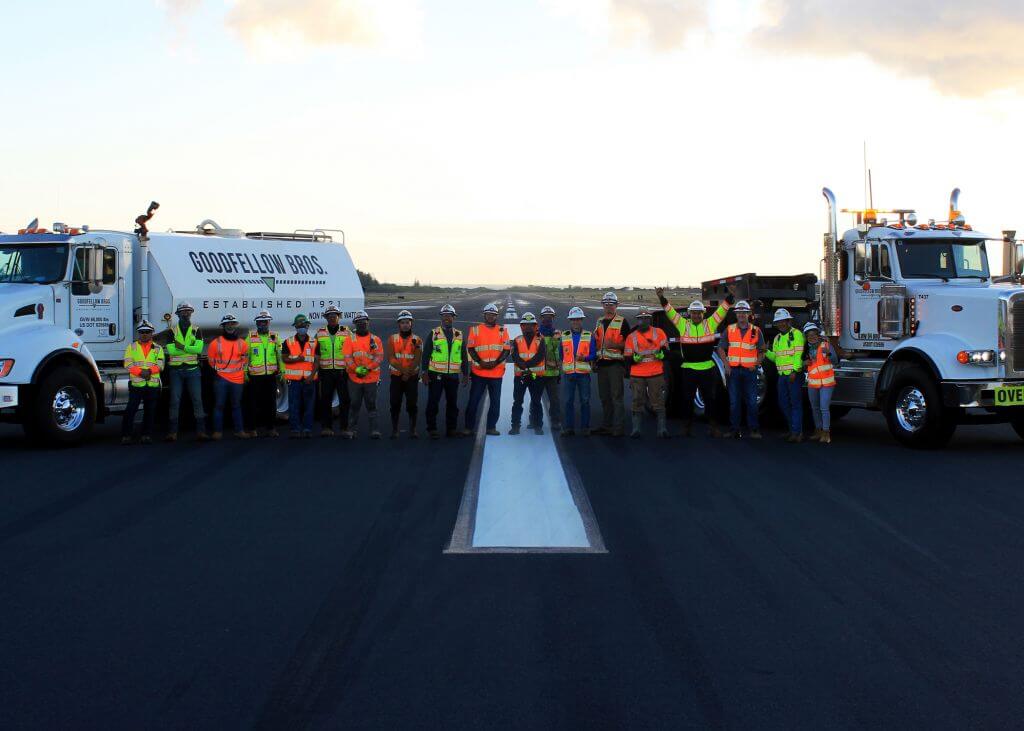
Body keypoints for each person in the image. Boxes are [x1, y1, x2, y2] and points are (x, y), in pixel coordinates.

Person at [656, 287, 732, 437]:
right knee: (687, 400)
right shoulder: (683, 325)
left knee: (710, 400)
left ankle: (713, 428)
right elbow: (670, 312)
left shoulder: (710, 324)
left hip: (707, 369)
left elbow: (722, 310)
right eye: (694, 313)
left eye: (699, 313)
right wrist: (661, 298)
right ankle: (686, 427)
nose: (696, 315)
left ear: (703, 314)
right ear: (690, 313)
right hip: (689, 369)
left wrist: (731, 296)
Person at [717, 300, 766, 439]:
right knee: (734, 402)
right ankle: (734, 430)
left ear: (749, 314)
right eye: (739, 313)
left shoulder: (756, 331)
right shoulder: (729, 329)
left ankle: (754, 430)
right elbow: (721, 348)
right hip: (733, 372)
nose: (741, 315)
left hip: (749, 372)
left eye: (744, 313)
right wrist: (726, 364)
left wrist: (756, 364)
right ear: (736, 314)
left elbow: (762, 350)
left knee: (752, 402)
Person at [422, 304, 468, 439]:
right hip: (436, 374)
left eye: (450, 316)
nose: (447, 318)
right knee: (433, 402)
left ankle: (451, 429)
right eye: (445, 315)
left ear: (454, 318)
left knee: (452, 404)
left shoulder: (459, 335)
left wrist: (466, 374)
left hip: (453, 376)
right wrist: (424, 372)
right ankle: (432, 429)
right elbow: (426, 354)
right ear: (441, 317)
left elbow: (463, 356)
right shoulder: (433, 333)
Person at [464, 303, 510, 436]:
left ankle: (491, 427)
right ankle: (468, 427)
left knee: (495, 403)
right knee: (473, 402)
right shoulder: (475, 330)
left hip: (496, 373)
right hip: (479, 373)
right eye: (488, 314)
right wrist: (480, 362)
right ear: (484, 315)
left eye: (493, 315)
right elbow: (470, 348)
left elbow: (507, 350)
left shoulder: (503, 331)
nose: (491, 316)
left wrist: (495, 362)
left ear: (496, 316)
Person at [164, 302, 207, 442]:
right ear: (178, 314)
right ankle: (172, 433)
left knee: (197, 400)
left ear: (191, 313)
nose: (186, 313)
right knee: (175, 401)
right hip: (176, 371)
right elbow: (171, 350)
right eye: (183, 311)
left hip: (193, 370)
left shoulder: (196, 329)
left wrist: (181, 346)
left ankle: (201, 432)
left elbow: (199, 349)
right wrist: (189, 347)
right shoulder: (172, 331)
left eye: (188, 311)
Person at [624, 306, 670, 438]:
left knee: (659, 401)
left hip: (655, 374)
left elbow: (667, 352)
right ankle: (636, 429)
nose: (643, 321)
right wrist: (634, 359)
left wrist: (663, 355)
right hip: (637, 375)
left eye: (646, 318)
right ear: (637, 320)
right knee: (637, 401)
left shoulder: (659, 333)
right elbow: (627, 358)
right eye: (641, 319)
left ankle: (662, 429)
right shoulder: (631, 337)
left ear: (650, 319)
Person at [593, 291, 631, 436]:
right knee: (604, 398)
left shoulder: (622, 321)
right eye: (606, 304)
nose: (608, 307)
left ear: (617, 306)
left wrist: (614, 344)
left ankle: (618, 428)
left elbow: (629, 345)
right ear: (602, 305)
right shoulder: (599, 321)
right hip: (601, 365)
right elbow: (596, 342)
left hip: (615, 365)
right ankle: (607, 425)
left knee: (617, 398)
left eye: (611, 304)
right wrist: (594, 360)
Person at [121, 320, 164, 445]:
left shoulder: (158, 348)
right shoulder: (131, 347)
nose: (144, 334)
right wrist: (141, 373)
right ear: (138, 333)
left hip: (152, 385)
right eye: (142, 332)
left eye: (147, 332)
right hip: (137, 385)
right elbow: (127, 364)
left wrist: (149, 371)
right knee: (130, 410)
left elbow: (160, 365)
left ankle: (146, 435)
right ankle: (126, 435)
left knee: (150, 412)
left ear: (152, 333)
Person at [207, 313, 250, 440]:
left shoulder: (242, 343)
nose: (230, 326)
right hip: (221, 379)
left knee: (236, 405)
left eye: (232, 324)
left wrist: (241, 374)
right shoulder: (216, 343)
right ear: (223, 326)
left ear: (235, 326)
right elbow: (211, 361)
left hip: (237, 380)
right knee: (219, 405)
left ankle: (239, 431)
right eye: (227, 324)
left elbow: (245, 360)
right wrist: (220, 372)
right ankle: (217, 432)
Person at [342, 310, 384, 439]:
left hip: (371, 378)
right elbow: (347, 358)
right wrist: (356, 370)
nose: (362, 325)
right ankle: (351, 430)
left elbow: (379, 357)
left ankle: (375, 430)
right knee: (354, 404)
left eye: (364, 323)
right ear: (355, 324)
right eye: (359, 323)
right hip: (355, 379)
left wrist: (367, 368)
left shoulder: (375, 339)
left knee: (372, 405)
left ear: (368, 323)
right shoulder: (349, 340)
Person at [765, 308, 805, 442]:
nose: (781, 324)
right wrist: (766, 351)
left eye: (783, 321)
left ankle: (797, 433)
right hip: (782, 376)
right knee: (783, 403)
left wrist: (794, 371)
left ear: (788, 321)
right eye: (778, 322)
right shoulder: (777, 338)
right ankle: (792, 429)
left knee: (795, 404)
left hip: (794, 375)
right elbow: (776, 358)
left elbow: (799, 355)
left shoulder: (797, 334)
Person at [244, 310, 282, 438]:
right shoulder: (250, 337)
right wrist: (244, 372)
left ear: (269, 322)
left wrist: (282, 372)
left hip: (270, 376)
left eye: (265, 322)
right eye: (260, 322)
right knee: (253, 404)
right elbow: (245, 357)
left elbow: (280, 356)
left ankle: (271, 429)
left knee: (271, 403)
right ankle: (252, 429)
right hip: (255, 377)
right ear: (256, 323)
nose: (263, 324)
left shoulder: (275, 337)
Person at [315, 305, 350, 437]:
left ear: (339, 317)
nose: (332, 318)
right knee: (325, 400)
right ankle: (326, 427)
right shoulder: (319, 333)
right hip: (326, 372)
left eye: (335, 316)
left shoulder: (347, 333)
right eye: (329, 316)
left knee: (344, 400)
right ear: (326, 318)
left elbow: (352, 351)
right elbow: (316, 354)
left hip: (342, 372)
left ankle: (344, 428)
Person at [386, 309, 423, 438]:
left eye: (407, 322)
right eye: (402, 322)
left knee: (412, 404)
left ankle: (413, 429)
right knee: (394, 403)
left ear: (411, 323)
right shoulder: (392, 339)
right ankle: (395, 430)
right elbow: (391, 358)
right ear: (399, 324)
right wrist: (403, 371)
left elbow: (417, 359)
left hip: (412, 377)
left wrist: (408, 373)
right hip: (396, 377)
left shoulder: (417, 340)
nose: (405, 324)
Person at [510, 312, 547, 435]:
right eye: (525, 325)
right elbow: (514, 355)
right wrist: (523, 366)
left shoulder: (541, 340)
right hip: (521, 376)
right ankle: (515, 426)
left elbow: (540, 356)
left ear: (535, 326)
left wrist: (526, 365)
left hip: (535, 375)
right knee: (518, 401)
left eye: (531, 325)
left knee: (536, 401)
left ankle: (538, 425)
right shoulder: (517, 340)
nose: (528, 327)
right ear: (521, 326)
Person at [282, 314, 318, 438]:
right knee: (294, 405)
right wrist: (297, 359)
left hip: (309, 380)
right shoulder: (288, 342)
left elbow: (317, 361)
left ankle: (307, 429)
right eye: (300, 325)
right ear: (296, 327)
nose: (302, 327)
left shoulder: (314, 342)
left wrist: (311, 376)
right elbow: (284, 359)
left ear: (308, 326)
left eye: (304, 325)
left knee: (309, 405)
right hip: (294, 380)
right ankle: (295, 429)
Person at [560, 307, 595, 436]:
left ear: (582, 320)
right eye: (573, 320)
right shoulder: (564, 336)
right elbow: (561, 355)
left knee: (585, 401)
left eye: (578, 319)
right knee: (568, 401)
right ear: (570, 321)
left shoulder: (589, 335)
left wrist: (584, 358)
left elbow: (593, 354)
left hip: (583, 375)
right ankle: (569, 428)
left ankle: (585, 428)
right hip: (569, 375)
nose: (576, 322)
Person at [803, 322, 838, 444]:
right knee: (815, 408)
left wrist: (828, 354)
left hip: (827, 383)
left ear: (818, 335)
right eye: (809, 335)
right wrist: (804, 364)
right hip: (813, 383)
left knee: (824, 407)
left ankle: (826, 432)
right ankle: (818, 431)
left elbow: (835, 360)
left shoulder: (825, 345)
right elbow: (803, 364)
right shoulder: (806, 349)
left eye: (814, 334)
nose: (811, 337)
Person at [538, 305, 562, 431]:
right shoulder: (536, 334)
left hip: (552, 373)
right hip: (538, 373)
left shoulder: (558, 334)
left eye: (550, 317)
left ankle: (556, 421)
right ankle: (535, 420)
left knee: (554, 400)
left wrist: (558, 370)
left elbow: (561, 353)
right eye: (545, 317)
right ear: (541, 318)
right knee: (535, 399)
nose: (548, 319)